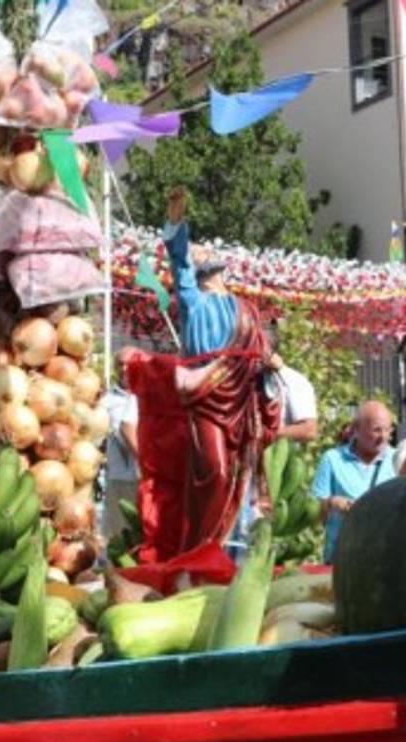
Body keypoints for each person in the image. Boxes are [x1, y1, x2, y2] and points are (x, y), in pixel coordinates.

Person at [123, 187, 281, 565]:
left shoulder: (246, 309)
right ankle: (201, 551)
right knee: (215, 473)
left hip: (241, 403)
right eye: (199, 260)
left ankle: (228, 552)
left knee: (238, 476)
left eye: (208, 260)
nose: (202, 260)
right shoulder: (192, 300)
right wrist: (176, 224)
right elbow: (178, 262)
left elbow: (259, 354)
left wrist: (269, 367)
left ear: (221, 271)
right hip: (206, 402)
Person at [313, 400, 397, 563]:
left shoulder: (398, 459)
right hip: (341, 562)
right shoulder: (332, 460)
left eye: (388, 430)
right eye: (376, 430)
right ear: (356, 430)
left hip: (387, 562)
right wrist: (331, 503)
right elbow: (312, 514)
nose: (383, 437)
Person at [100, 382, 140, 540]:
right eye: (120, 364)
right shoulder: (108, 399)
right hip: (119, 476)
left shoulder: (143, 392)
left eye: (128, 364)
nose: (125, 369)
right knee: (119, 532)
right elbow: (126, 427)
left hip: (141, 477)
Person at [270, 363, 318, 443]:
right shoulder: (245, 376)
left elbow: (309, 430)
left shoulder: (293, 380)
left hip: (275, 451)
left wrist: (267, 434)